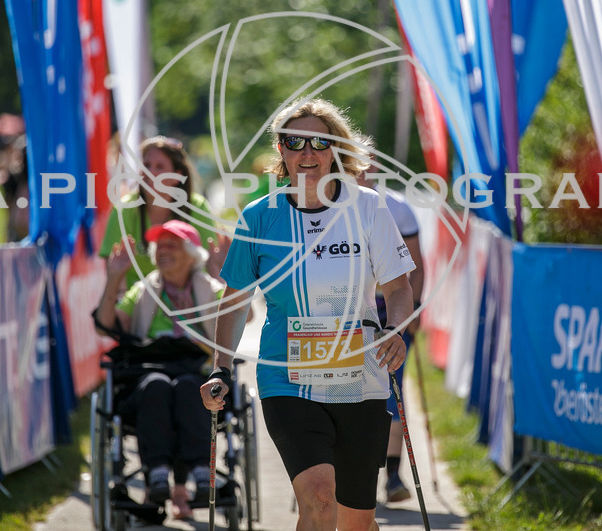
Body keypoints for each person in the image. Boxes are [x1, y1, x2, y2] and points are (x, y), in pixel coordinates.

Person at [201, 98, 414, 531]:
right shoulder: (259, 218)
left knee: (356, 520)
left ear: (336, 148)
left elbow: (398, 288)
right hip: (288, 378)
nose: (307, 152)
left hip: (360, 376)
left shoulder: (368, 208)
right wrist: (220, 367)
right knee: (318, 500)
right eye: (294, 142)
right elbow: (236, 301)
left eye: (320, 141)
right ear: (280, 150)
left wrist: (395, 330)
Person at [94, 219, 224, 520]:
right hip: (146, 374)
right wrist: (114, 278)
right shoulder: (142, 290)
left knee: (189, 386)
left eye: (172, 245)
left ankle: (203, 472)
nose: (162, 251)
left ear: (192, 253)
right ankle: (157, 474)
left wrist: (218, 272)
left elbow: (243, 316)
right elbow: (107, 326)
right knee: (157, 385)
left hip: (195, 372)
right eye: (159, 245)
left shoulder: (208, 288)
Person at [357, 165, 426, 504]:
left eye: (364, 165)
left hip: (390, 307)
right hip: (351, 309)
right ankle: (355, 473)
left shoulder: (396, 206)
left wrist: (412, 309)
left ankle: (393, 475)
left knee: (390, 386)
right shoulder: (329, 206)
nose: (359, 172)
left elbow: (415, 262)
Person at [100, 136, 225, 286]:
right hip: (137, 303)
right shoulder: (123, 210)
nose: (150, 172)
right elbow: (114, 279)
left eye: (160, 167)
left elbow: (212, 266)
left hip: (190, 301)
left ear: (177, 176)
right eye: (146, 165)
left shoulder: (197, 207)